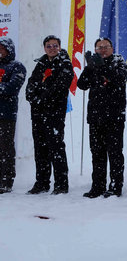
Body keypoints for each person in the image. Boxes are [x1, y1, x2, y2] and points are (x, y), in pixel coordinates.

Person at [77, 38, 127, 198]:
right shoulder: (93, 65)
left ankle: (115, 186)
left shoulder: (120, 63)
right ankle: (98, 186)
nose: (102, 50)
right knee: (97, 153)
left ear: (112, 48)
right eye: (99, 47)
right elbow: (81, 84)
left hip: (114, 116)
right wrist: (89, 68)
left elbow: (119, 79)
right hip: (95, 116)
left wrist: (102, 67)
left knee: (114, 153)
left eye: (106, 47)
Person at [25, 35, 73, 195]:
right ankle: (42, 182)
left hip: (54, 113)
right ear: (44, 48)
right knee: (40, 148)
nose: (52, 48)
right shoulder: (40, 64)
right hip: (38, 113)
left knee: (56, 147)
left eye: (55, 45)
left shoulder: (65, 63)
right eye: (48, 46)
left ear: (59, 47)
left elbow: (60, 86)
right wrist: (33, 97)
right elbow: (31, 85)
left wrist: (42, 98)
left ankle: (61, 184)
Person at [0, 37, 26, 194]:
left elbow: (11, 88)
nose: (0, 51)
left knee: (5, 148)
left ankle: (6, 180)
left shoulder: (17, 66)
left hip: (6, 113)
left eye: (3, 48)